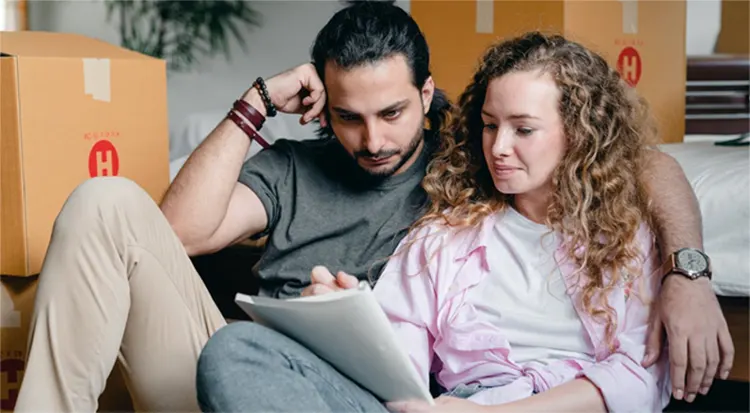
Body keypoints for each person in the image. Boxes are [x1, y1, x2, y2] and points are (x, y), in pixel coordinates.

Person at [15, 2, 731, 412]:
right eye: (350, 117)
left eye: (391, 112)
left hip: (376, 392)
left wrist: (689, 272)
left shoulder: (471, 158)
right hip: (263, 374)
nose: (373, 139)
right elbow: (176, 234)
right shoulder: (302, 166)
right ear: (324, 104)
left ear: (427, 96)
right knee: (108, 202)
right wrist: (259, 103)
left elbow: (642, 161)